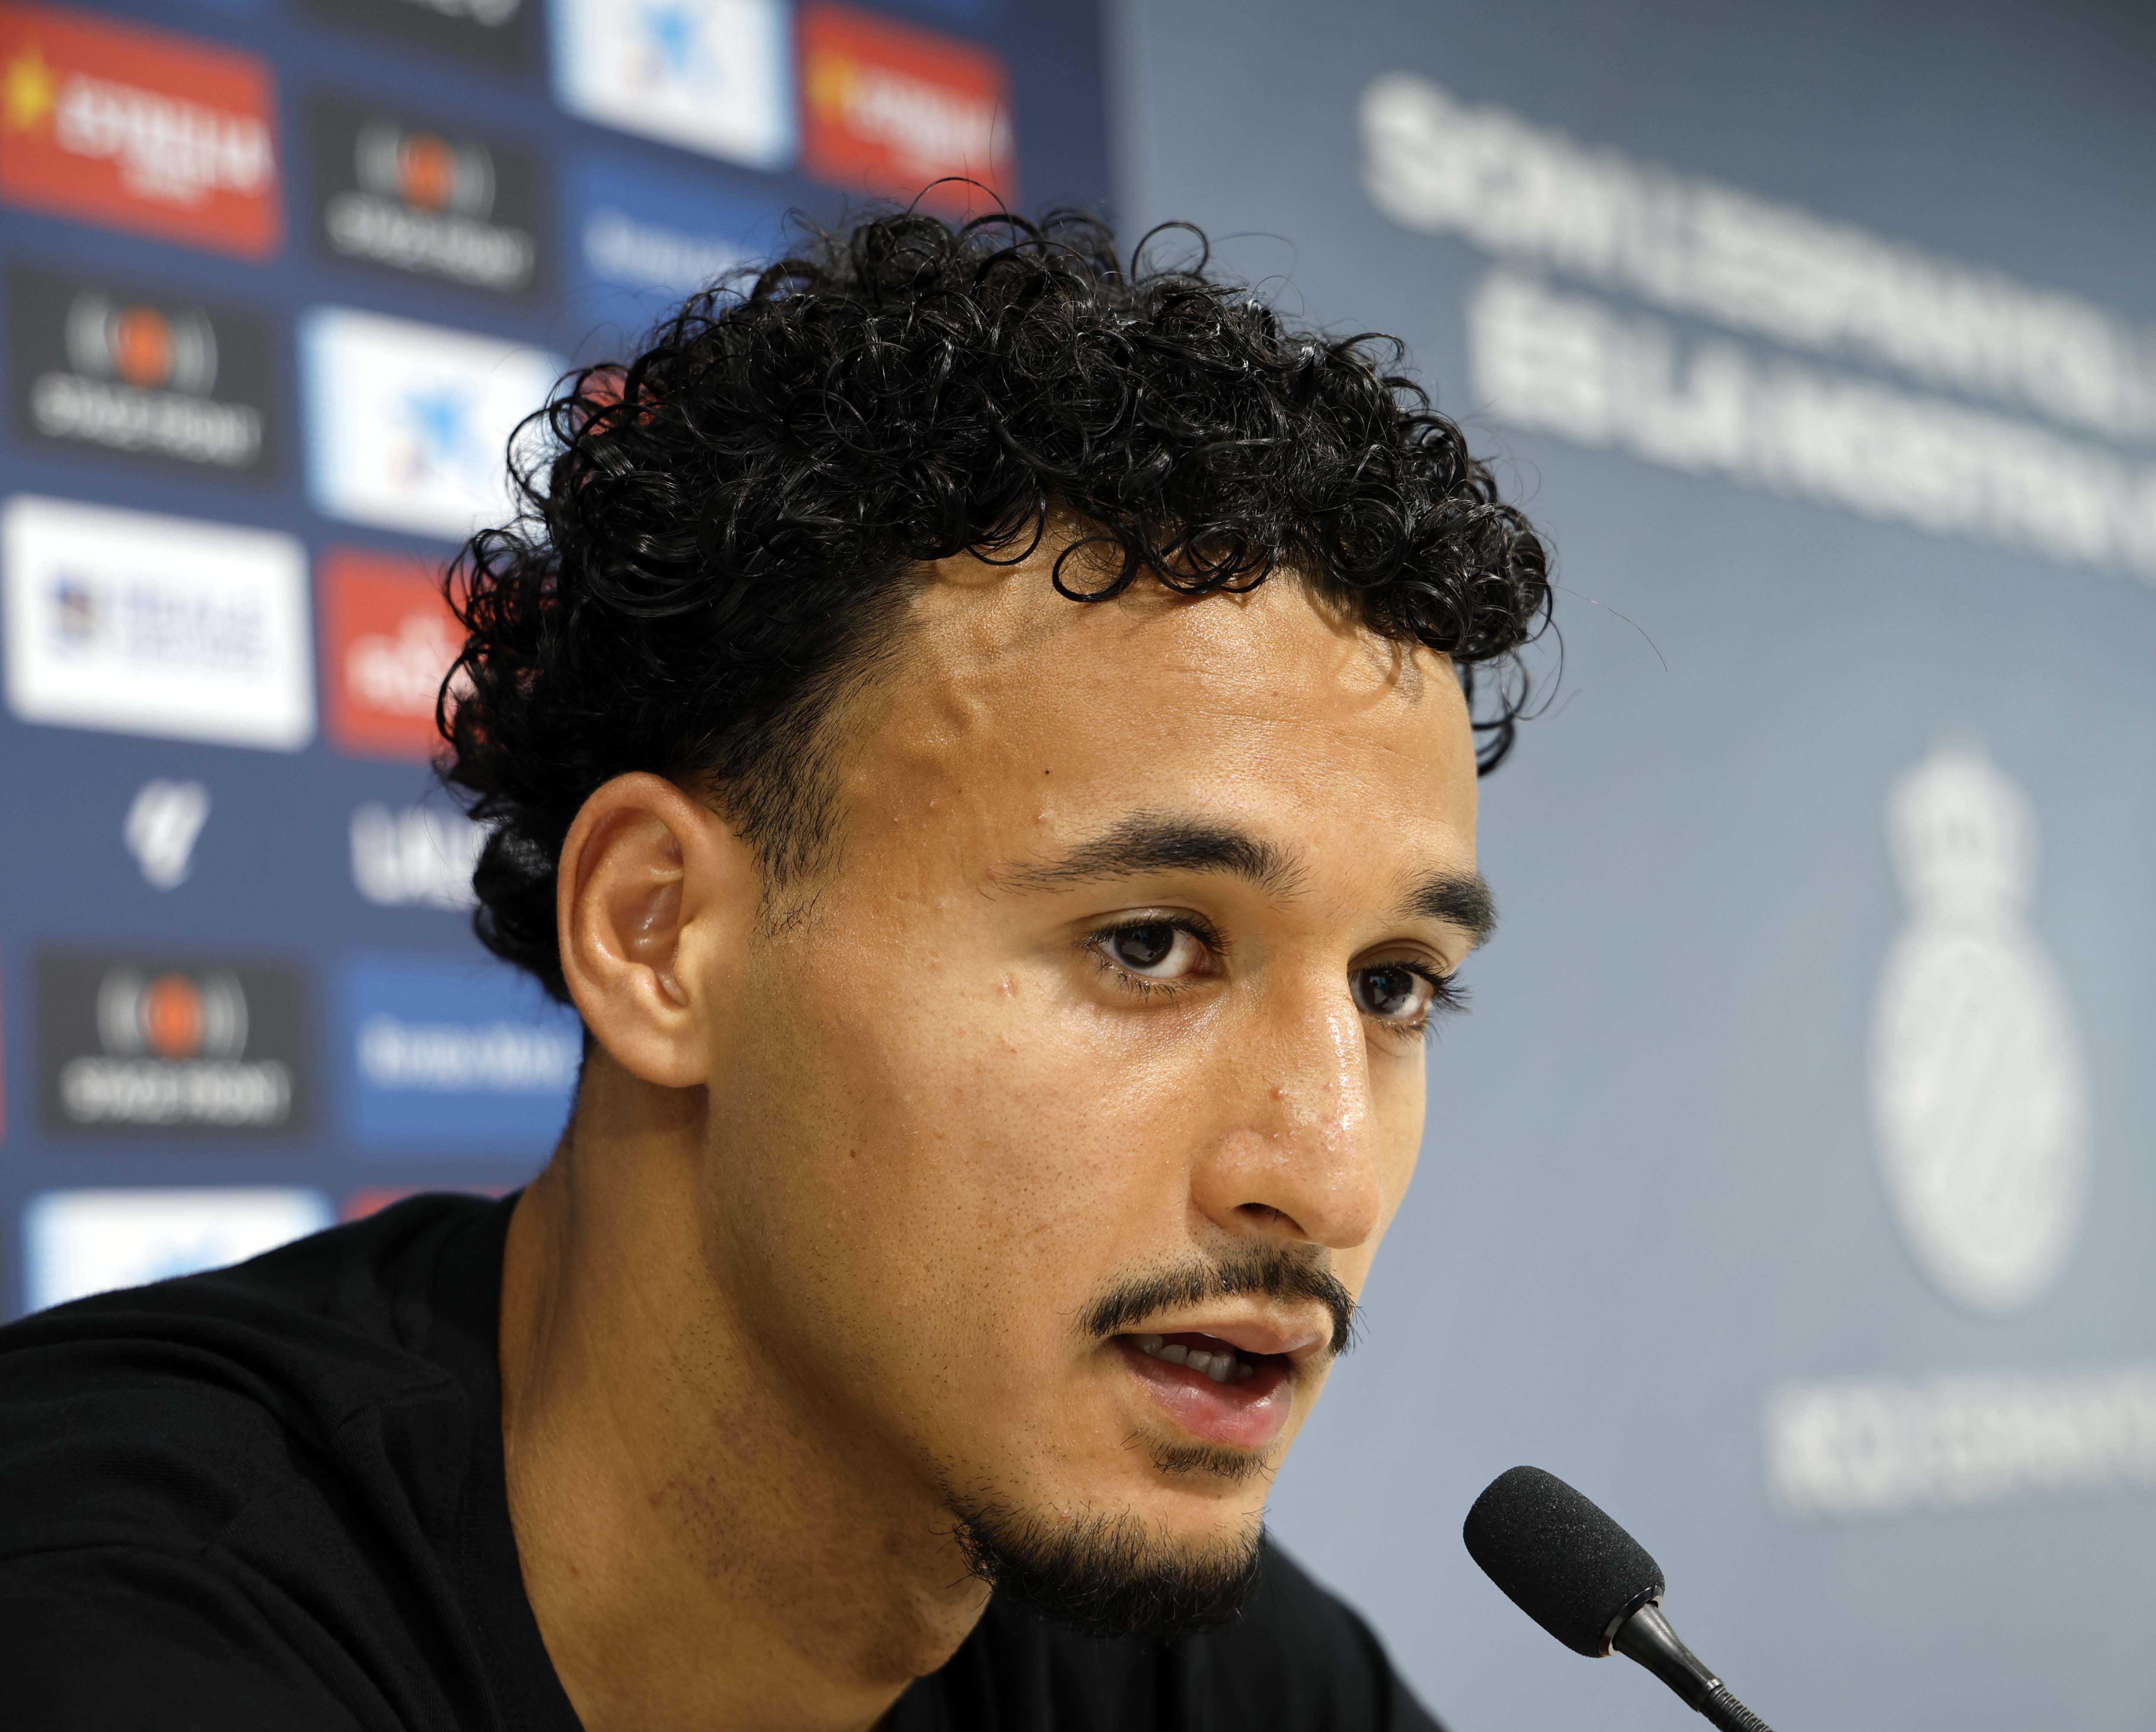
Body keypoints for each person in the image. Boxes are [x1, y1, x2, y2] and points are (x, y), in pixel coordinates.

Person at [0, 210, 1552, 1729]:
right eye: (1149, 947)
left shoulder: (1175, 1652)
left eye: (1393, 986)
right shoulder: (112, 1610)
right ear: (658, 935)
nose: (1328, 1178)